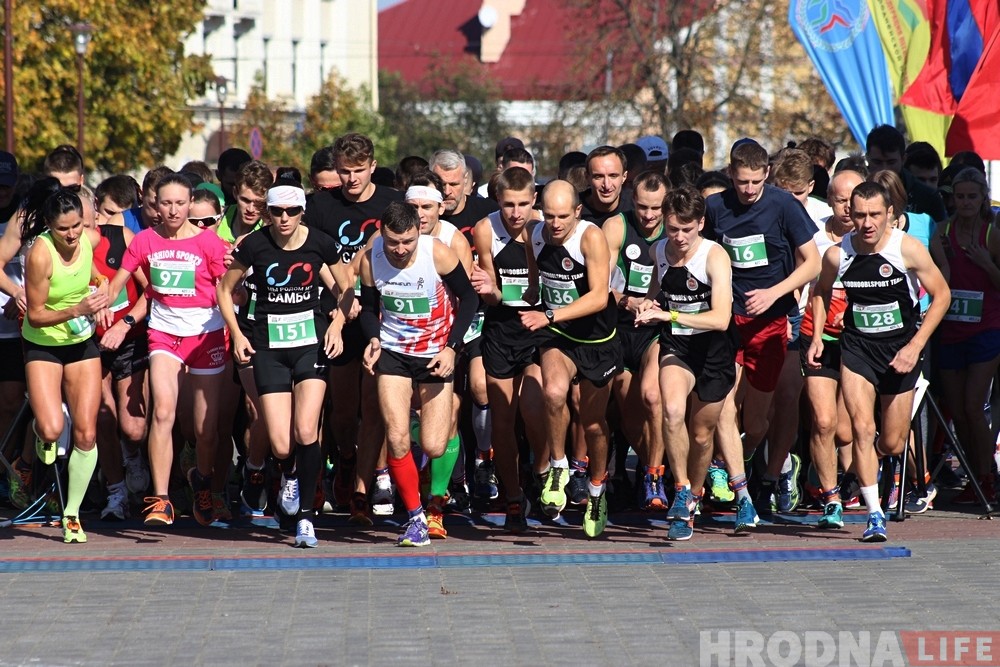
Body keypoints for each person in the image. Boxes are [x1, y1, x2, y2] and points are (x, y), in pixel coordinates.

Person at [807, 181, 949, 542]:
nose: (867, 223)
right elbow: (821, 291)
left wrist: (915, 346)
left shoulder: (907, 249)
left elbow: (942, 295)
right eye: (860, 215)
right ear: (849, 215)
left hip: (901, 350)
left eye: (874, 215)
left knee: (892, 442)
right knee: (861, 428)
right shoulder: (838, 255)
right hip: (858, 349)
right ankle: (874, 515)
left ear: (890, 214)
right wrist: (817, 336)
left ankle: (866, 468)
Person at [218, 176, 347, 547]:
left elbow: (346, 288)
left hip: (310, 344)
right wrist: (238, 335)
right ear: (267, 214)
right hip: (269, 347)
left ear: (302, 211)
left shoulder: (321, 243)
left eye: (292, 211)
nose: (285, 218)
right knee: (280, 444)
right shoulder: (254, 244)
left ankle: (305, 516)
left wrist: (337, 324)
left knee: (306, 431)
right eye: (277, 212)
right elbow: (224, 289)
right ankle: (289, 472)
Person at [703, 139, 820, 531]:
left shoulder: (783, 205)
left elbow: (813, 263)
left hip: (770, 323)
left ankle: (747, 456)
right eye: (742, 182)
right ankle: (734, 484)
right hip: (727, 321)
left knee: (755, 423)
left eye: (755, 181)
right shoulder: (716, 207)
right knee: (722, 405)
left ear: (767, 174)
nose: (749, 189)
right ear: (731, 175)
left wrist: (774, 292)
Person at [108, 173, 230, 527]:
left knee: (206, 429)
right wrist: (102, 304)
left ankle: (202, 481)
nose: (173, 210)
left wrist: (237, 290)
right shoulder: (145, 240)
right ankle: (160, 499)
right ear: (155, 205)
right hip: (164, 334)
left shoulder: (209, 243)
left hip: (205, 335)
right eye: (166, 203)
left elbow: (229, 292)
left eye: (180, 203)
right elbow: (118, 281)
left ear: (190, 204)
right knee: (163, 412)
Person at [358, 201, 478, 546]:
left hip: (434, 354)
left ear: (419, 232)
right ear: (382, 233)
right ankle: (415, 519)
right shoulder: (371, 259)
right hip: (394, 352)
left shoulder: (436, 253)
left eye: (407, 241)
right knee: (396, 436)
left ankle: (422, 431)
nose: (399, 249)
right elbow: (369, 309)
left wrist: (452, 347)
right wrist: (374, 339)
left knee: (433, 445)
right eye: (393, 242)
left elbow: (469, 299)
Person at [304, 132, 402, 522]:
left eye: (359, 170)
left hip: (381, 314)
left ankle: (367, 484)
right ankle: (346, 457)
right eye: (345, 171)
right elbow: (314, 258)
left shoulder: (391, 203)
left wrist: (365, 288)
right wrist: (343, 293)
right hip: (336, 315)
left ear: (373, 167)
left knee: (375, 404)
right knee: (344, 410)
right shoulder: (320, 205)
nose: (351, 179)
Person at [634, 185, 737, 541]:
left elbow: (721, 319)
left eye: (687, 229)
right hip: (677, 347)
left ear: (701, 224)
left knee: (702, 435)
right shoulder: (658, 249)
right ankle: (680, 490)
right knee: (672, 411)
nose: (678, 237)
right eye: (673, 228)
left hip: (713, 352)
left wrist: (670, 314)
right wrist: (646, 305)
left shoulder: (714, 257)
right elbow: (656, 289)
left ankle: (694, 493)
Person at [522, 180, 622, 537]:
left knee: (593, 423)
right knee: (552, 392)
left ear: (578, 212)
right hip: (559, 334)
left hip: (596, 339)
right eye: (549, 215)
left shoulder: (590, 238)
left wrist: (549, 315)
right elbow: (536, 271)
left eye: (563, 216)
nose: (555, 223)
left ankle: (596, 491)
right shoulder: (534, 232)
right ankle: (558, 465)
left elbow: (598, 297)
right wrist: (532, 290)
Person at [22, 188, 108, 543]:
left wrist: (101, 286)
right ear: (49, 225)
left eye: (76, 226)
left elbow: (91, 272)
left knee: (86, 433)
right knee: (52, 428)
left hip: (81, 342)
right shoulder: (40, 255)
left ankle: (71, 514)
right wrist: (76, 309)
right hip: (43, 343)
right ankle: (42, 434)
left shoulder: (89, 238)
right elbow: (35, 314)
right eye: (63, 229)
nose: (72, 235)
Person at [470, 166, 547, 532]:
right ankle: (513, 498)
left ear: (534, 200)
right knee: (502, 418)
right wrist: (490, 291)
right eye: (508, 205)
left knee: (534, 408)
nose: (516, 213)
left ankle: (542, 473)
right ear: (497, 200)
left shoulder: (545, 227)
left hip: (538, 330)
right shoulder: (485, 230)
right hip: (501, 330)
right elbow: (494, 293)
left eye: (523, 204)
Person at [404, 171, 474, 534]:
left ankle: (436, 501)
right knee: (404, 417)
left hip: (442, 344)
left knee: (450, 413)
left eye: (427, 207)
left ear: (440, 208)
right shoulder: (389, 236)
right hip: (399, 344)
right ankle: (405, 485)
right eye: (413, 206)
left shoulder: (453, 240)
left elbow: (468, 299)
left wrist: (453, 346)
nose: (420, 214)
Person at [798, 168, 865, 529]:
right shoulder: (812, 236)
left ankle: (859, 477)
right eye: (840, 200)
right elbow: (809, 287)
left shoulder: (876, 240)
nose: (847, 208)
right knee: (823, 422)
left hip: (858, 342)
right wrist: (811, 331)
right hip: (818, 336)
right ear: (829, 200)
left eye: (852, 201)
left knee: (845, 429)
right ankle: (831, 498)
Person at [930, 167, 1000, 504]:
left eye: (972, 196)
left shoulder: (992, 234)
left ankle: (987, 477)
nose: (966, 202)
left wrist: (987, 263)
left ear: (983, 197)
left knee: (974, 406)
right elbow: (937, 279)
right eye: (960, 197)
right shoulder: (942, 233)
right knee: (958, 412)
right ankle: (974, 476)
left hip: (986, 328)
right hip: (952, 328)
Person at [603, 170, 668, 510]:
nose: (649, 215)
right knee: (629, 415)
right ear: (633, 199)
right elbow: (599, 284)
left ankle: (655, 476)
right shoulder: (616, 226)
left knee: (652, 396)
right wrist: (628, 301)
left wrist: (658, 307)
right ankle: (654, 466)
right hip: (619, 329)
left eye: (656, 208)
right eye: (643, 207)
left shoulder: (674, 230)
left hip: (653, 331)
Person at [88, 187, 151, 520]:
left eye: (86, 224)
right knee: (103, 417)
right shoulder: (55, 249)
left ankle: (132, 455)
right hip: (87, 342)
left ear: (97, 214)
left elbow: (150, 291)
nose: (78, 234)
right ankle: (116, 493)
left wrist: (124, 324)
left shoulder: (121, 237)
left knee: (133, 429)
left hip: (128, 336)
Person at [865, 125, 946, 223]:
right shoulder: (854, 187)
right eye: (877, 162)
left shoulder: (928, 197)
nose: (884, 168)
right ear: (867, 158)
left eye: (891, 162)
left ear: (903, 159)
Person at [579, 146, 632, 226]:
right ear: (587, 177)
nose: (607, 185)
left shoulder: (637, 206)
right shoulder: (572, 209)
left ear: (624, 177)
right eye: (598, 177)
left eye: (613, 176)